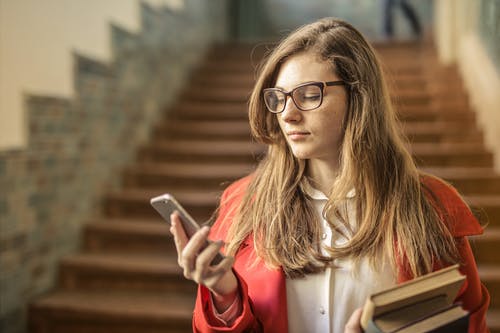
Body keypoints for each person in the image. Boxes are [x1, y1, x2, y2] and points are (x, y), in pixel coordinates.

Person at [170, 18, 490, 332]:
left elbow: (468, 324)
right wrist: (224, 296)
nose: (288, 114)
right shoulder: (243, 203)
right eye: (279, 98)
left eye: (309, 95)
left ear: (358, 98)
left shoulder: (431, 207)